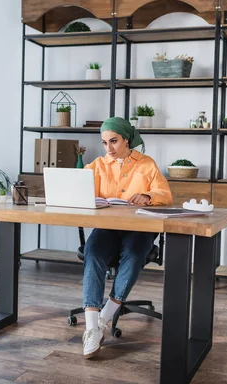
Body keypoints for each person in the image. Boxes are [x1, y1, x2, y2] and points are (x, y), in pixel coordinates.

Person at [81, 116, 172, 359]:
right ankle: (91, 328)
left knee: (133, 255)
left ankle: (103, 319)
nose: (109, 148)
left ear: (126, 140)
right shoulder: (97, 165)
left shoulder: (146, 164)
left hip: (139, 227)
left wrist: (147, 196)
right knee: (93, 254)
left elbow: (164, 193)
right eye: (104, 143)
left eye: (113, 141)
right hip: (107, 226)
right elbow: (78, 187)